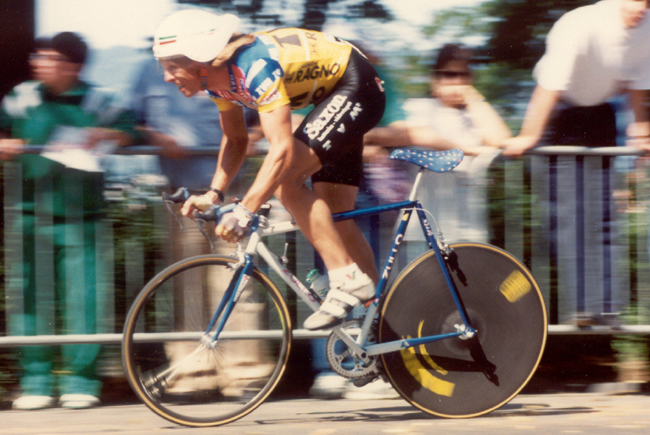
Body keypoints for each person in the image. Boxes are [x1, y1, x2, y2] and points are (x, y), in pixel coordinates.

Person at [153, 9, 386, 331]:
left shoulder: (254, 67)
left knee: (286, 183)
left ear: (199, 60)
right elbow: (235, 140)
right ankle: (377, 316)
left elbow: (281, 149)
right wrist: (214, 194)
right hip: (339, 95)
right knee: (335, 217)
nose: (167, 77)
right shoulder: (217, 82)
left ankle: (347, 281)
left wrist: (245, 211)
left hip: (355, 86)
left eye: (172, 67)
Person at [0, 32, 139, 410]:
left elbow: (131, 130)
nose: (38, 63)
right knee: (28, 301)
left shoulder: (100, 100)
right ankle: (35, 383)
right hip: (29, 217)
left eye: (48, 57)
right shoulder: (20, 98)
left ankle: (81, 381)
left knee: (85, 301)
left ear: (73, 66)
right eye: (38, 56)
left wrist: (107, 134)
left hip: (84, 219)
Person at [500, 0, 650, 324]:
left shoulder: (646, 28)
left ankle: (608, 307)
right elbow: (548, 87)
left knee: (605, 215)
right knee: (570, 216)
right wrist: (528, 136)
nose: (639, 7)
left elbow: (637, 88)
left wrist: (641, 136)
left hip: (600, 114)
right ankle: (583, 306)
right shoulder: (579, 24)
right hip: (560, 113)